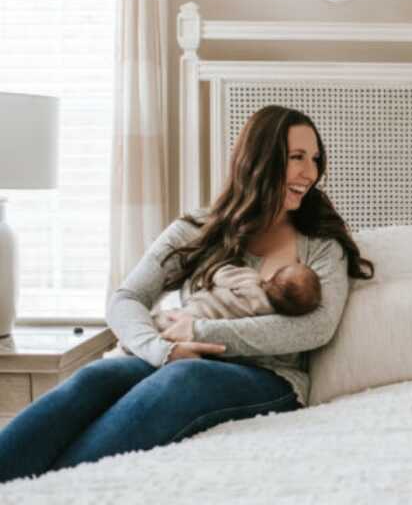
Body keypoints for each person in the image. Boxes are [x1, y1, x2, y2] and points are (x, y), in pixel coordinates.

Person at [0, 105, 373, 482]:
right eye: (297, 157)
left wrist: (200, 334)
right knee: (93, 378)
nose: (310, 172)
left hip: (268, 377)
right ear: (259, 159)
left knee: (182, 380)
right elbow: (125, 298)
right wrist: (163, 350)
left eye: (315, 159)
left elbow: (316, 327)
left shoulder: (323, 245)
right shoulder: (198, 228)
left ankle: (52, 494)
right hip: (174, 357)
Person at [153, 261, 322, 329]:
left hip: (196, 310)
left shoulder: (251, 279)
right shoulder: (266, 317)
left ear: (271, 278)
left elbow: (219, 275)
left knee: (161, 321)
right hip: (204, 326)